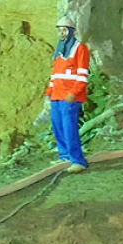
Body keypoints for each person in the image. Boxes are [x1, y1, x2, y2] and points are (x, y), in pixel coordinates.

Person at [45, 16, 90, 173]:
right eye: (59, 30)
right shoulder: (60, 49)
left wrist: (74, 93)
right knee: (58, 125)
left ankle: (78, 160)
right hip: (57, 95)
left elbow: (83, 75)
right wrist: (49, 92)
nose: (61, 33)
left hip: (70, 96)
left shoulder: (80, 49)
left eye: (64, 30)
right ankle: (64, 156)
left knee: (69, 127)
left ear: (71, 31)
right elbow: (55, 74)